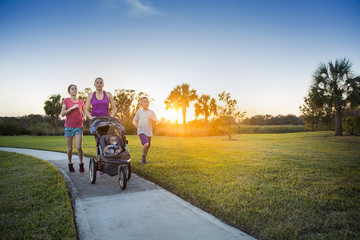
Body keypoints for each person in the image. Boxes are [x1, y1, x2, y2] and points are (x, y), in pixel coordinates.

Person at [85, 77, 116, 174]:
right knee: (99, 142)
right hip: (96, 122)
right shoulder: (91, 95)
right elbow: (86, 109)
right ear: (94, 84)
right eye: (97, 83)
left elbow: (114, 109)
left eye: (100, 82)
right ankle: (100, 162)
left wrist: (111, 117)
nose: (99, 84)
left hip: (106, 121)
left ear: (103, 84)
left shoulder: (108, 94)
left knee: (108, 140)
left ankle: (109, 160)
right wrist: (91, 118)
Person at [61, 84, 85, 172]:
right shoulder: (66, 101)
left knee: (79, 147)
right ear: (69, 91)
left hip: (78, 126)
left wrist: (84, 116)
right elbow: (62, 114)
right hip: (68, 127)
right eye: (72, 89)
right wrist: (72, 108)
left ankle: (81, 163)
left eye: (75, 89)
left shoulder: (81, 101)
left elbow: (82, 111)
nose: (74, 90)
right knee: (70, 148)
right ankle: (70, 163)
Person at [133, 97, 157, 164]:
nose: (146, 103)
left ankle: (143, 159)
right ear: (141, 104)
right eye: (144, 102)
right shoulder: (139, 112)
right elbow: (135, 120)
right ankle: (143, 159)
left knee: (147, 146)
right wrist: (135, 124)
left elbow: (156, 121)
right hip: (141, 131)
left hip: (149, 132)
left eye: (147, 101)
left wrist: (152, 119)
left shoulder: (151, 112)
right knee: (146, 144)